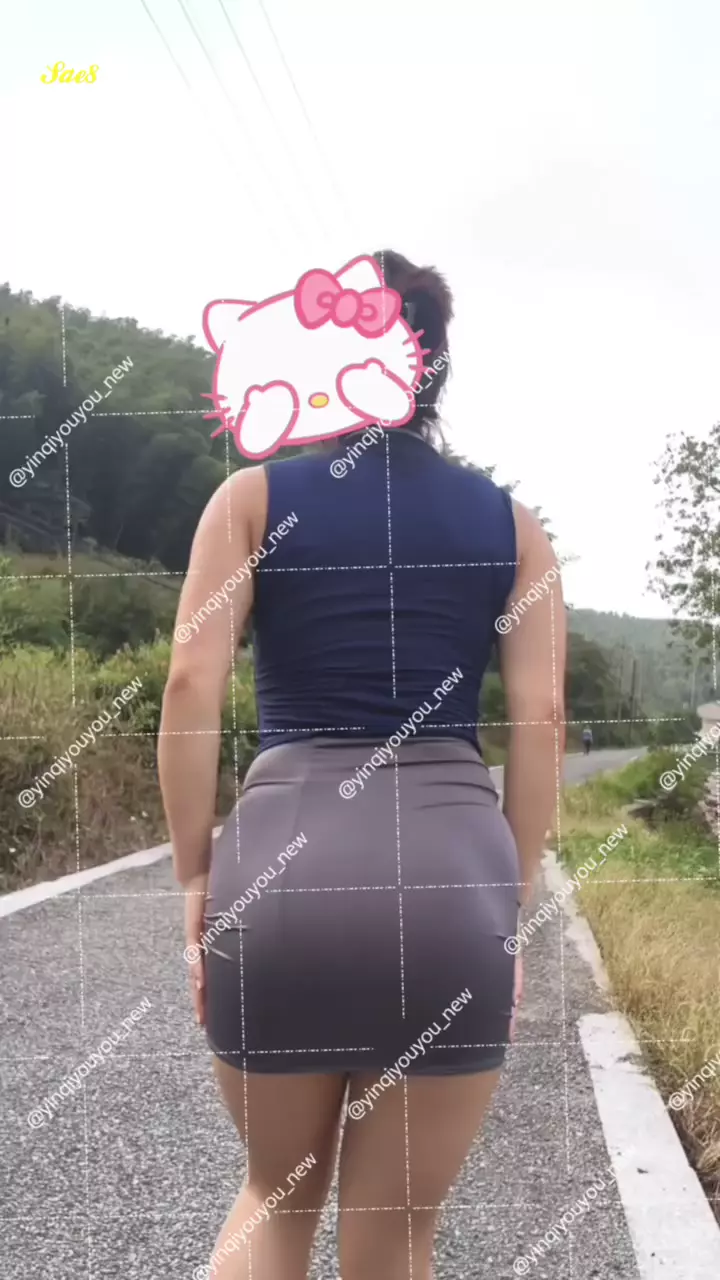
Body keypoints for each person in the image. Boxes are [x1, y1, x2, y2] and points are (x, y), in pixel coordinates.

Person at [158, 249, 566, 1280]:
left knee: (275, 1195)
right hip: (453, 887)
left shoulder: (249, 499)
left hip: (278, 879)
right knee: (394, 1231)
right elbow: (543, 717)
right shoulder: (515, 529)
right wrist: (509, 901)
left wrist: (196, 875)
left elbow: (190, 684)